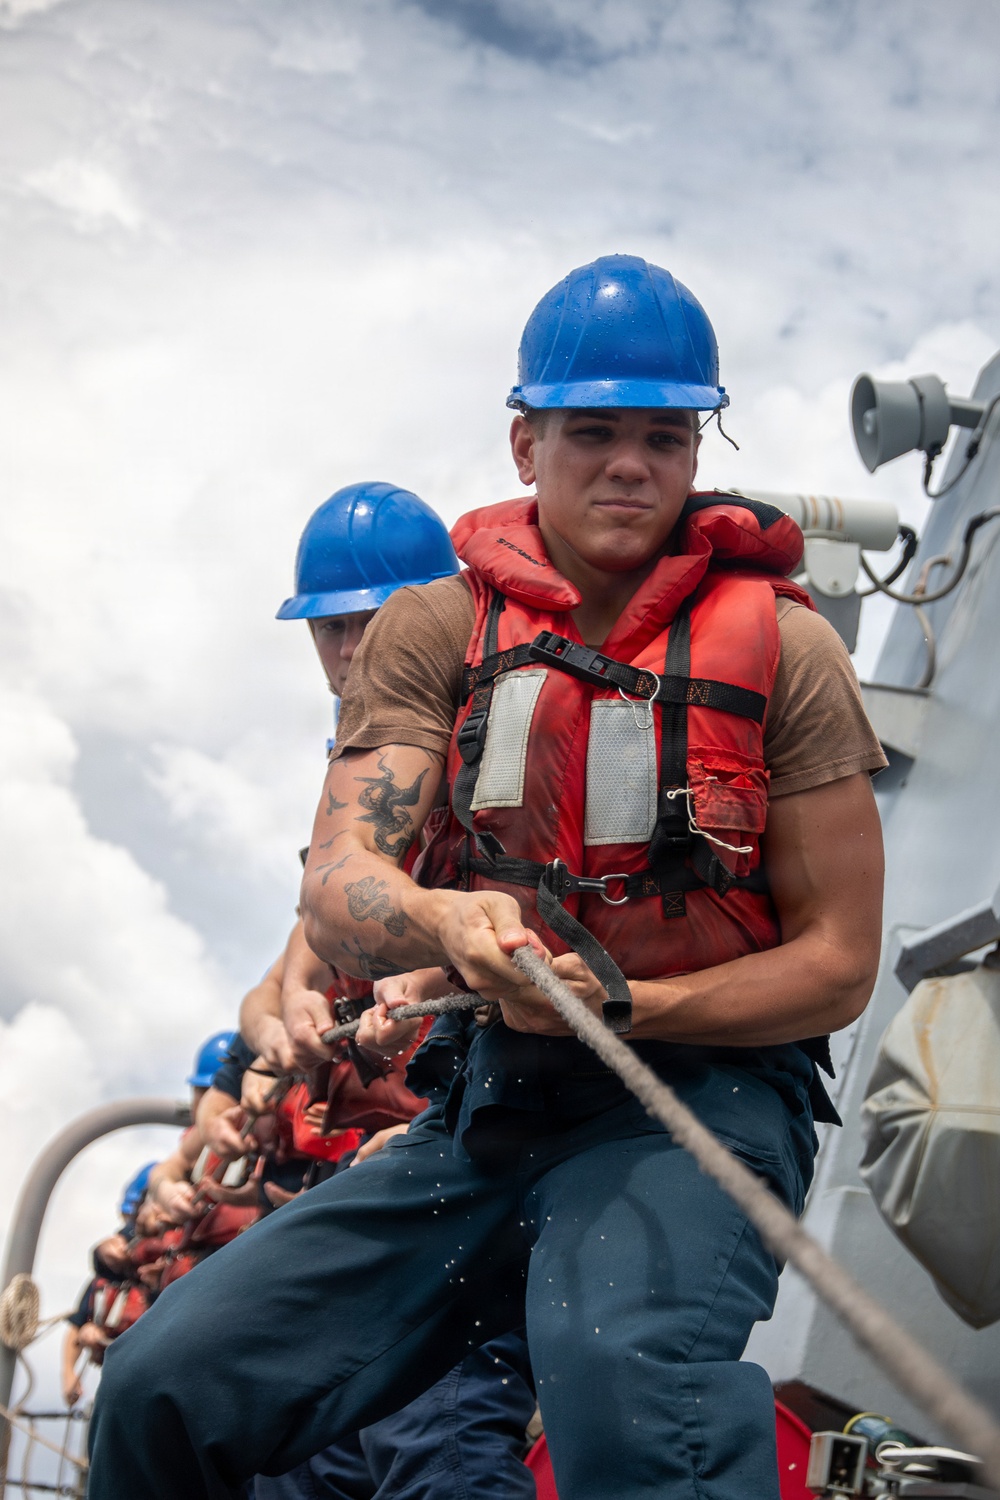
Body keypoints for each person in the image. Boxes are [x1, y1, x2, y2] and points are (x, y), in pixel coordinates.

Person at [89, 254, 887, 1500]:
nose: (629, 464)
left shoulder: (787, 652)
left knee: (635, 1392)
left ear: (695, 447)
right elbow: (341, 886)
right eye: (592, 432)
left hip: (702, 1102)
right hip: (484, 1107)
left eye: (662, 436)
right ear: (526, 446)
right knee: (164, 1388)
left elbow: (839, 962)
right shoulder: (435, 629)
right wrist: (434, 917)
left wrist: (633, 1007)